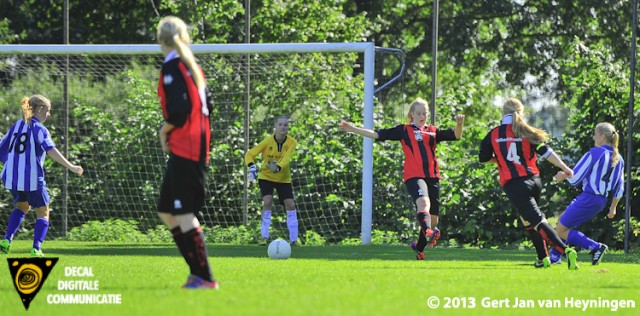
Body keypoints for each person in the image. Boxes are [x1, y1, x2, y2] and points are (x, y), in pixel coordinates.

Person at [339, 98, 464, 260]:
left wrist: (459, 124)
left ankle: (419, 248)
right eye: (418, 113)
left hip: (432, 177)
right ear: (412, 114)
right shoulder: (404, 130)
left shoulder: (433, 131)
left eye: (424, 113)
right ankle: (427, 231)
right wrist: (353, 129)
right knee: (423, 204)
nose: (422, 116)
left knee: (433, 219)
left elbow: (456, 135)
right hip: (414, 176)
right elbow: (377, 134)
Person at [479, 97, 578, 270]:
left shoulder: (494, 134)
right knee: (527, 220)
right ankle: (543, 258)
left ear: (503, 113)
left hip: (515, 185)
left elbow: (483, 158)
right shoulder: (526, 132)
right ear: (521, 112)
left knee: (537, 220)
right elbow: (546, 152)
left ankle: (565, 251)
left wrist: (500, 160)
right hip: (534, 180)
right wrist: (565, 167)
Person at [156, 16, 218, 289]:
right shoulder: (191, 67)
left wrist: (164, 131)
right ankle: (196, 273)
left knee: (183, 214)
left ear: (160, 40)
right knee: (167, 211)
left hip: (187, 147)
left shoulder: (172, 68)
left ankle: (205, 278)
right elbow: (210, 105)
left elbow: (179, 112)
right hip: (193, 145)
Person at [0, 95, 84, 257]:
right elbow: (51, 150)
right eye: (47, 110)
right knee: (43, 212)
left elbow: (2, 147)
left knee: (22, 207)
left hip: (11, 177)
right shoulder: (39, 129)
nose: (49, 114)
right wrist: (71, 167)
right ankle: (36, 248)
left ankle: (6, 240)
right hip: (31, 178)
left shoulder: (17, 125)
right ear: (39, 109)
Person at [549, 122, 624, 266]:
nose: (594, 136)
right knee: (564, 223)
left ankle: (596, 247)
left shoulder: (595, 153)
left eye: (595, 133)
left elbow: (575, 178)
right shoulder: (619, 158)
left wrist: (562, 175)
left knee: (561, 229)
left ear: (602, 137)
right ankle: (555, 257)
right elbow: (619, 187)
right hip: (601, 201)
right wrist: (613, 207)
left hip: (589, 197)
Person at [245, 116, 299, 245]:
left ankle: (294, 239)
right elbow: (249, 154)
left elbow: (286, 159)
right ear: (275, 126)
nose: (283, 127)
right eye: (280, 124)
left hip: (283, 178)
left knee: (290, 205)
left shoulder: (292, 142)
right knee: (267, 201)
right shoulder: (268, 141)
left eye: (285, 125)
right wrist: (252, 167)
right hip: (266, 176)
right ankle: (264, 237)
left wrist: (278, 167)